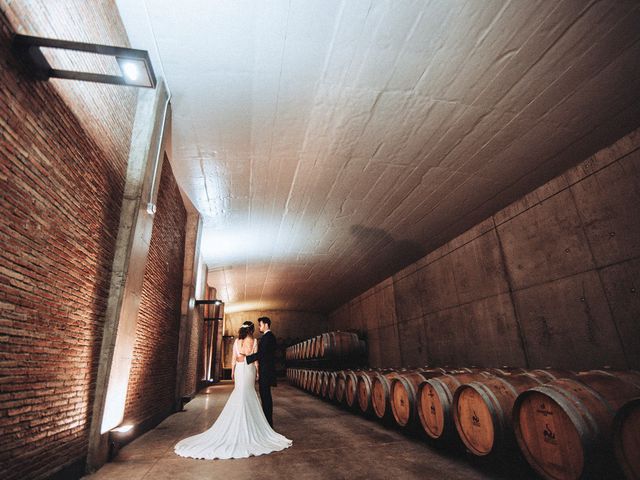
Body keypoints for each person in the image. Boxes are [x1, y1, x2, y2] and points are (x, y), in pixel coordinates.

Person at [174, 321, 291, 459]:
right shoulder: (253, 341)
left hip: (240, 368)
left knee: (239, 393)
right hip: (249, 369)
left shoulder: (237, 341)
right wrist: (258, 372)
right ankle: (253, 425)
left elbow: (234, 358)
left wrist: (233, 372)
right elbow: (256, 360)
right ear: (251, 330)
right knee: (249, 393)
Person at [243, 317, 277, 427]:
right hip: (265, 371)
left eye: (260, 324)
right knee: (265, 397)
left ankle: (268, 424)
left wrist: (248, 359)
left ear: (266, 324)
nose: (259, 326)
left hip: (266, 372)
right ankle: (268, 422)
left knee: (266, 398)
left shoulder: (269, 337)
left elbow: (262, 354)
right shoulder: (267, 337)